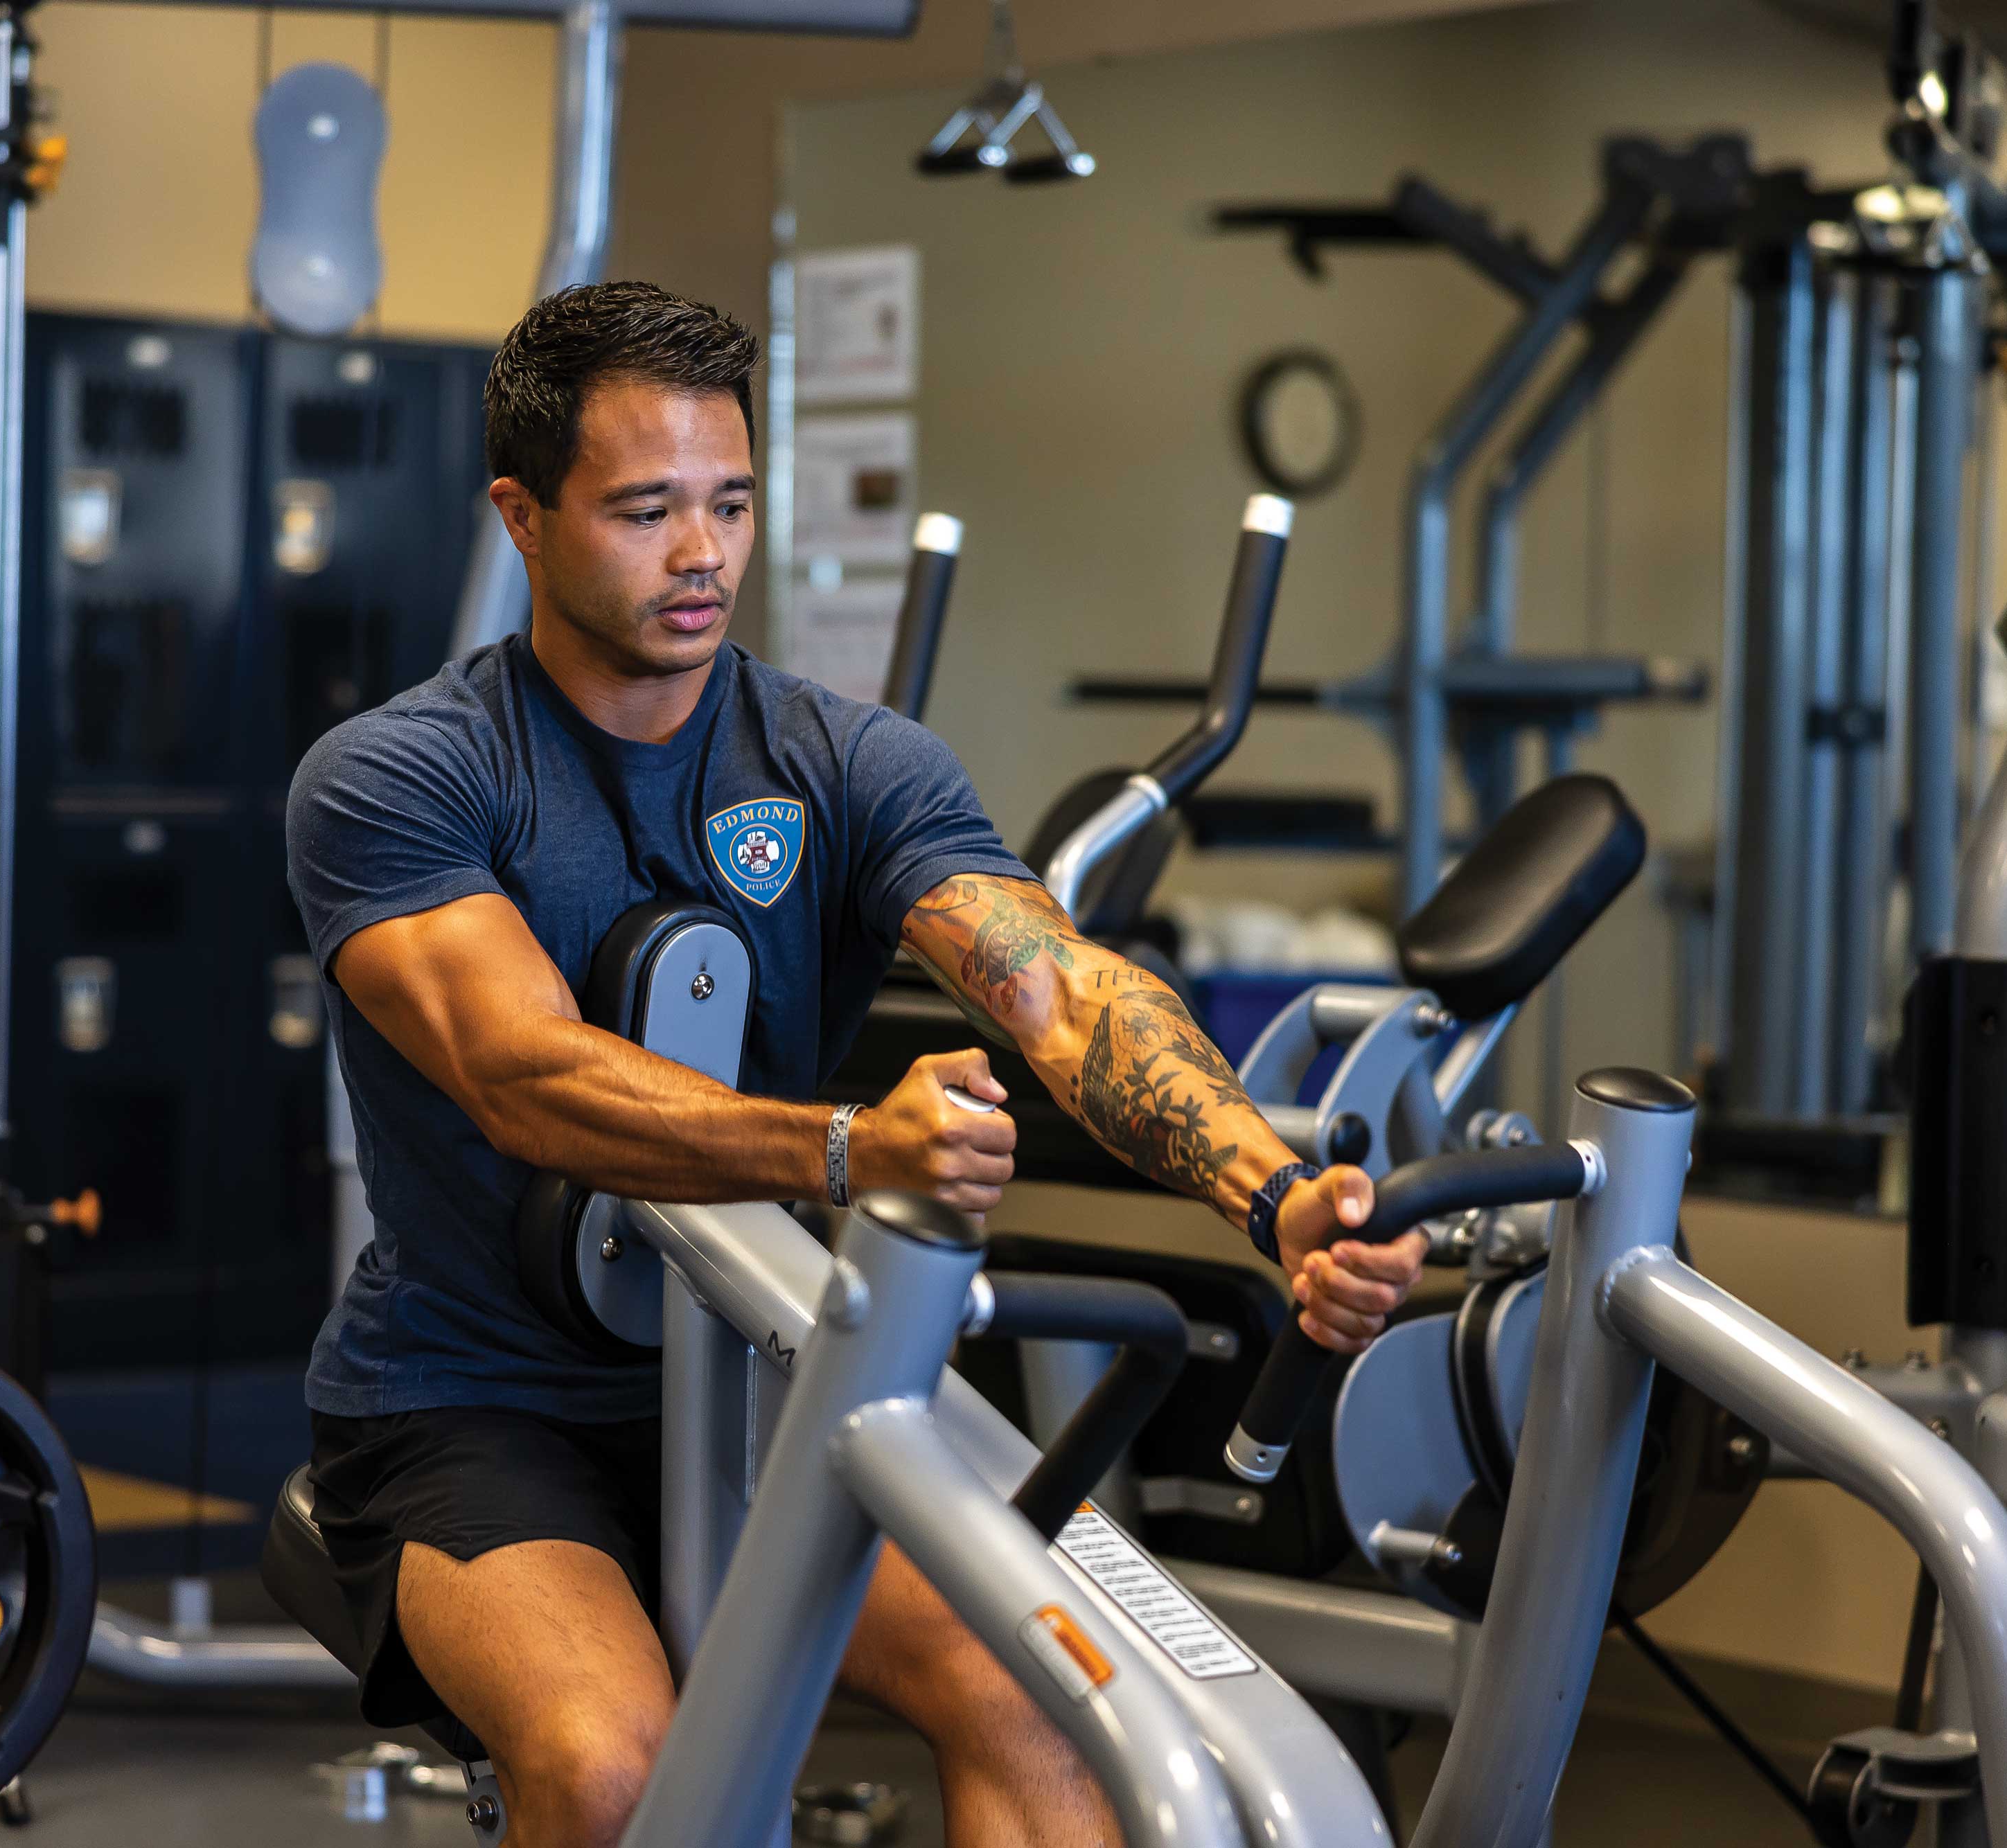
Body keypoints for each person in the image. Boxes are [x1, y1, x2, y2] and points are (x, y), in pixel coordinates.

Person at [287, 281, 1426, 1848]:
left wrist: (1275, 1187)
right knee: (617, 1764)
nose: (702, 553)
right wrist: (846, 1148)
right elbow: (520, 1071)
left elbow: (1063, 994)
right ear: (523, 517)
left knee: (1053, 1687)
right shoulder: (401, 772)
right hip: (473, 1405)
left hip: (779, 1381)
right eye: (644, 510)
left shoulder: (842, 758)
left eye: (731, 502)